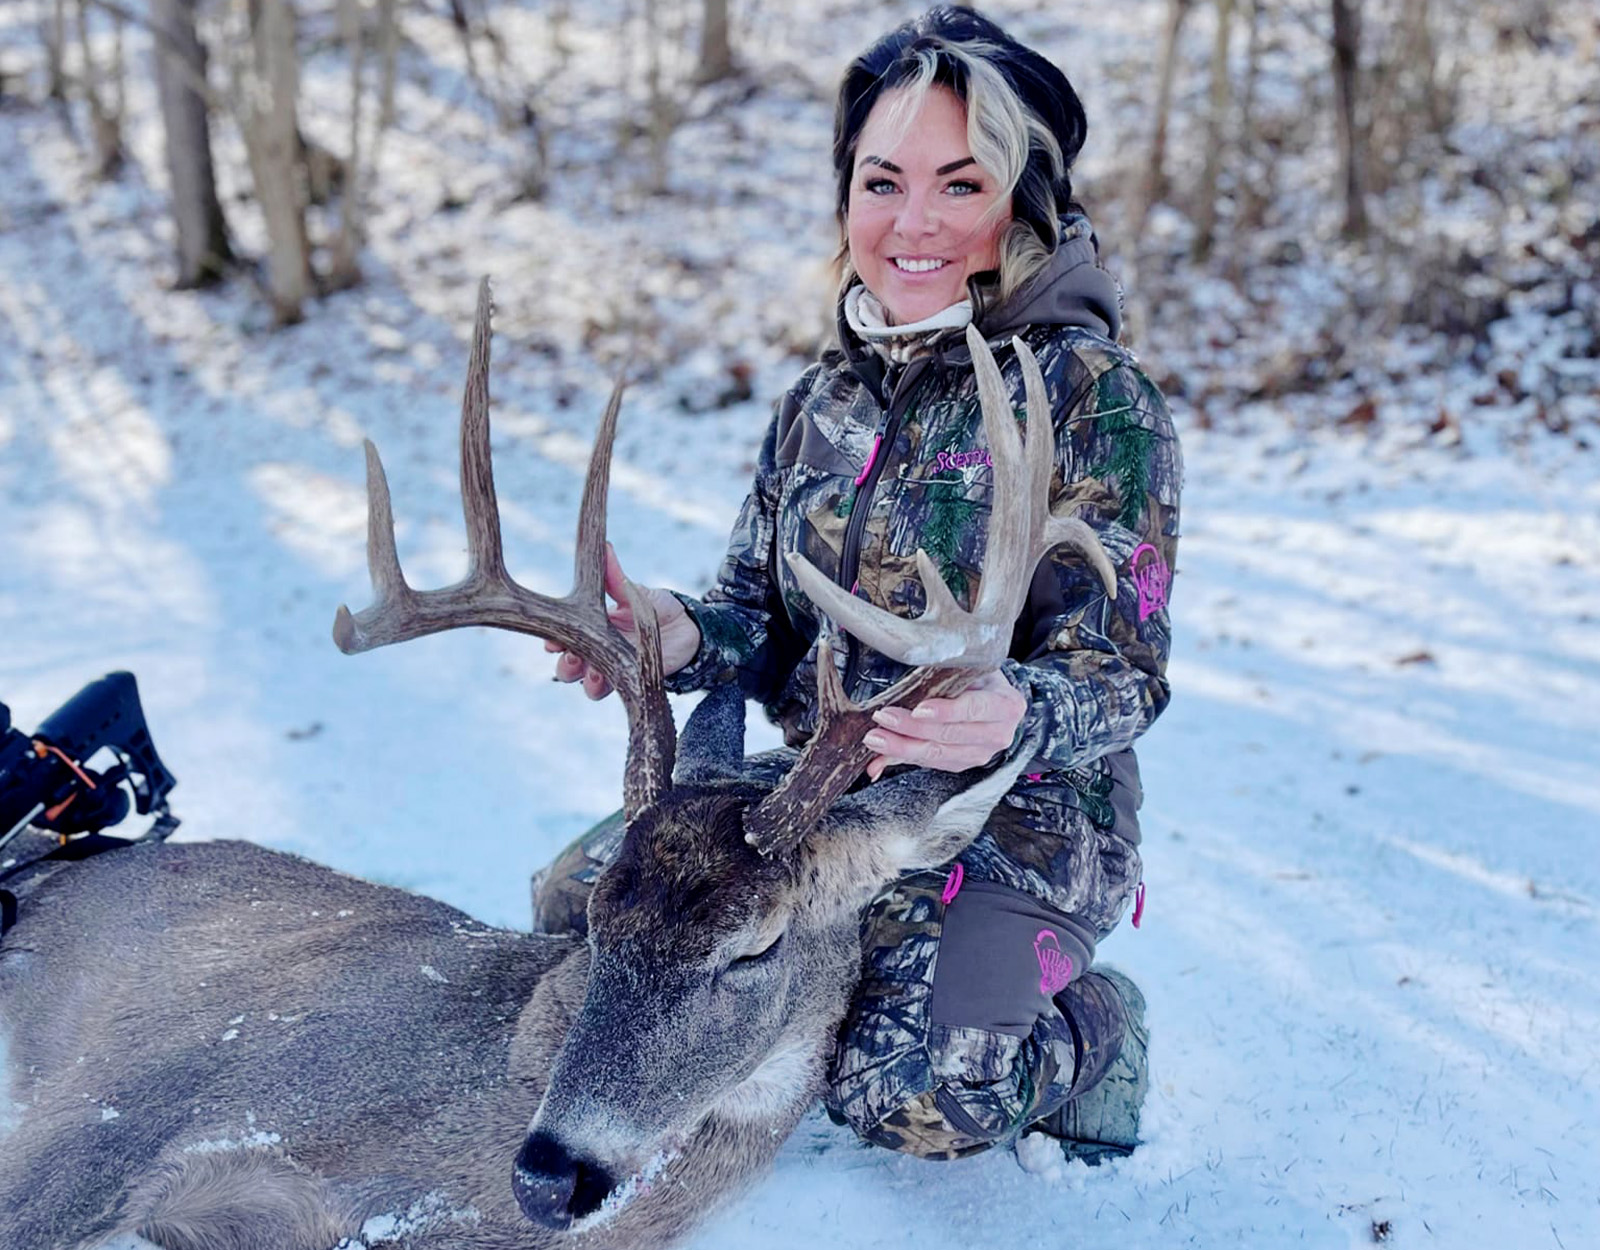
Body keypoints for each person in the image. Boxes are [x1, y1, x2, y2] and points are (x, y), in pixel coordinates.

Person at [535, 4, 1180, 1164]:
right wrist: (682, 635)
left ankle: (1093, 1028)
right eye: (882, 181)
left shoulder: (1096, 399)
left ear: (1024, 201)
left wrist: (1018, 709)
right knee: (579, 904)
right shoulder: (821, 400)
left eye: (959, 182)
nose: (912, 222)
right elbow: (757, 620)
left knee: (915, 1093)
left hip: (1017, 807)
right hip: (810, 797)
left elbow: (1123, 677)